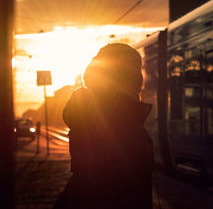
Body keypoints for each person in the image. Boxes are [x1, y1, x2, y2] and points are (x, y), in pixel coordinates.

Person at [52, 43, 154, 209]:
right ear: (123, 78)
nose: (140, 81)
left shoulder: (91, 114)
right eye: (136, 72)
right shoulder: (117, 120)